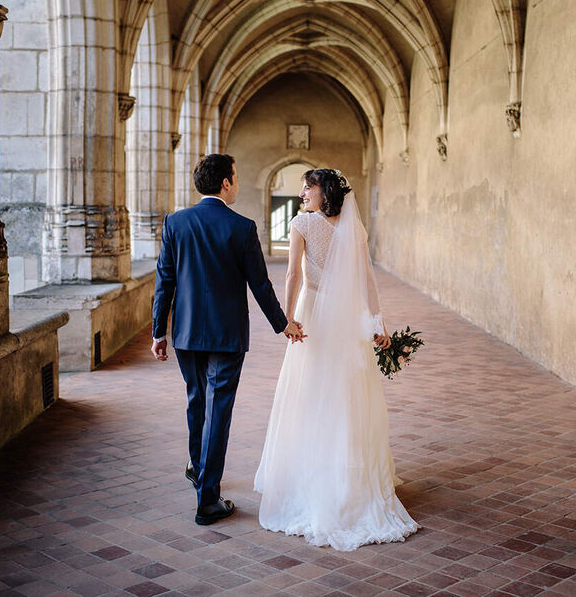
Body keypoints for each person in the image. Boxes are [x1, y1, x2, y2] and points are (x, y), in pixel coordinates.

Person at [254, 168, 419, 550]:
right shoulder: (353, 229)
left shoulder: (302, 225)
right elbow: (367, 280)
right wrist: (378, 323)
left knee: (312, 391)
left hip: (313, 312)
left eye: (307, 187)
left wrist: (290, 317)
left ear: (323, 191)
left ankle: (317, 482)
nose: (301, 194)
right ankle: (348, 481)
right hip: (345, 317)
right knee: (345, 393)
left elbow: (293, 273)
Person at [152, 154, 305, 526]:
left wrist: (159, 331)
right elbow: (260, 283)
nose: (235, 183)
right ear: (225, 183)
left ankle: (197, 467)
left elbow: (164, 281)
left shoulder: (175, 223)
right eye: (235, 178)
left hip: (186, 334)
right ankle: (208, 500)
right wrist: (282, 322)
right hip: (227, 335)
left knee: (196, 400)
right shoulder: (242, 227)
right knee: (219, 409)